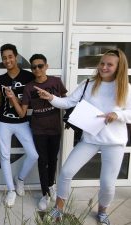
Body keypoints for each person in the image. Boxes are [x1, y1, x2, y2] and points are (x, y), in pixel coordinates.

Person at [35, 49, 131, 225]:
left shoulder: (125, 88)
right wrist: (50, 98)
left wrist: (118, 115)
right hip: (89, 139)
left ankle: (102, 212)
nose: (104, 67)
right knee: (66, 172)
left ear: (119, 67)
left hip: (114, 143)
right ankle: (59, 208)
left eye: (110, 64)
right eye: (102, 63)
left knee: (107, 183)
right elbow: (68, 102)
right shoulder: (89, 84)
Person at [7, 54, 67, 210]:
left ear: (46, 66)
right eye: (34, 67)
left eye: (40, 66)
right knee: (42, 161)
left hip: (55, 128)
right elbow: (22, 113)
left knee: (53, 159)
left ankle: (52, 185)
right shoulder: (29, 87)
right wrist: (13, 98)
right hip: (39, 129)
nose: (37, 69)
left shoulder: (56, 82)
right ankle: (45, 194)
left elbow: (66, 102)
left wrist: (52, 98)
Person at [0, 43, 39, 207]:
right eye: (4, 58)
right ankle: (10, 190)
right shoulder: (0, 80)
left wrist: (14, 98)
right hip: (3, 121)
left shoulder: (28, 77)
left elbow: (33, 101)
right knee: (4, 155)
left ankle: (20, 179)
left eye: (10, 56)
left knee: (33, 154)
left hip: (22, 121)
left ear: (16, 57)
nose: (7, 60)